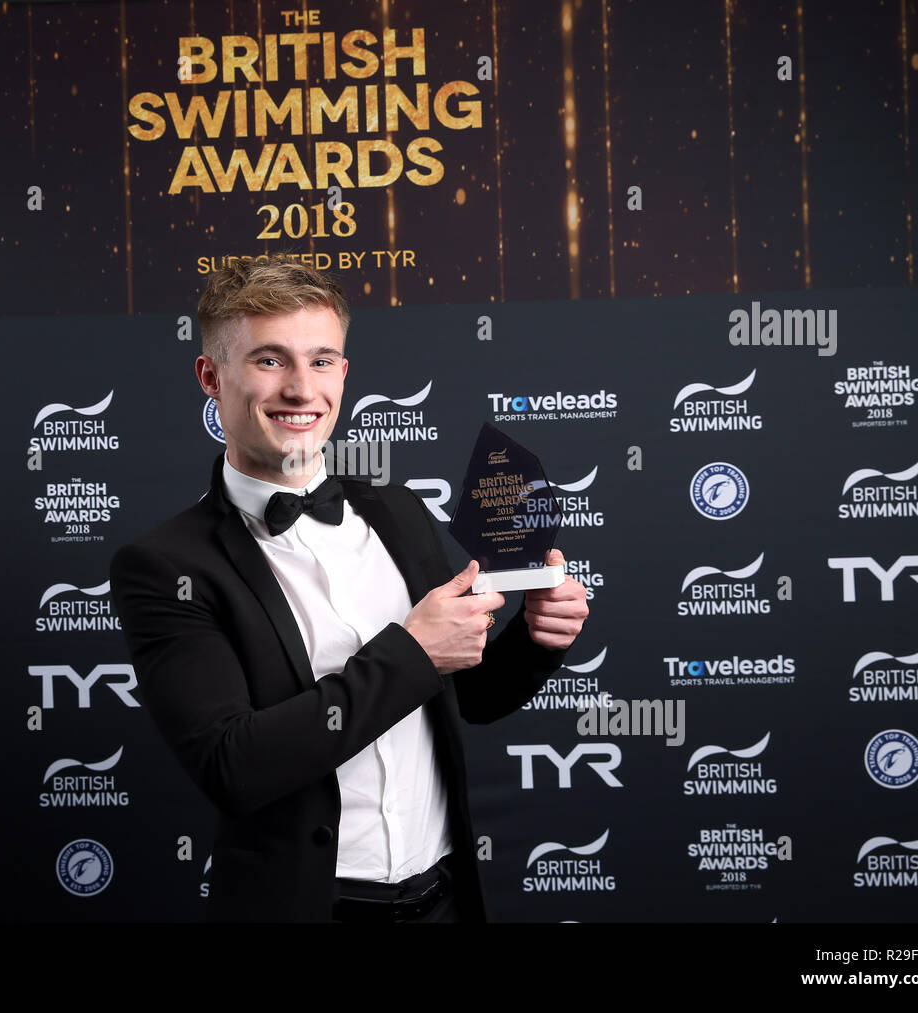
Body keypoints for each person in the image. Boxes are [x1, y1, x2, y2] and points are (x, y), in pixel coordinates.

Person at [109, 259, 589, 922]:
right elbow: (234, 764)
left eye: (323, 359)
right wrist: (414, 650)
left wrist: (537, 638)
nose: (302, 389)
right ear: (212, 377)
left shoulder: (398, 511)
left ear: (343, 370)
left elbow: (464, 696)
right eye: (270, 361)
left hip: (446, 901)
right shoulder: (165, 565)